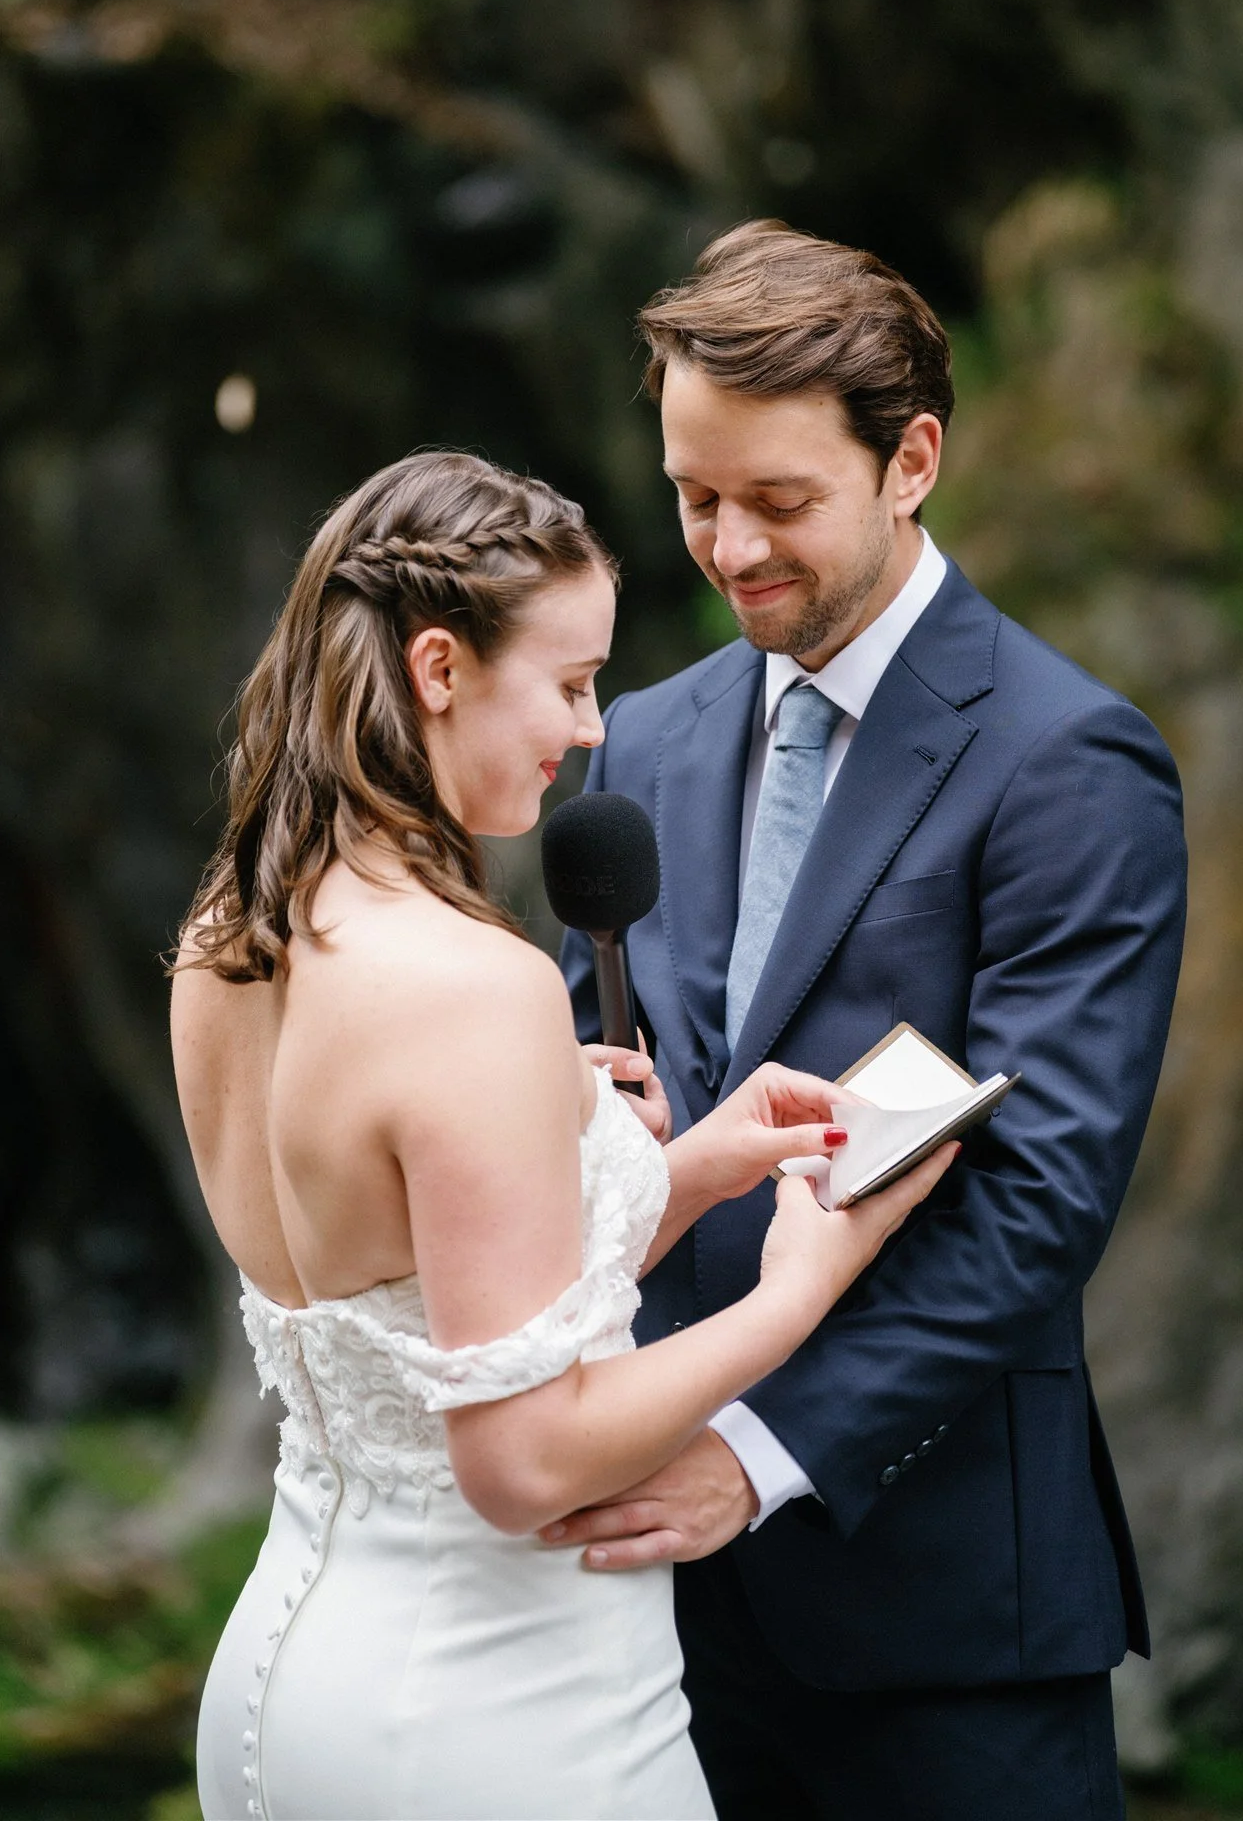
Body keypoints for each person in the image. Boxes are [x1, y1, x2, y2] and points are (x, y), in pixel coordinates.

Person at [172, 448, 954, 1821]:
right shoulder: (476, 987)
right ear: (437, 668)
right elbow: (521, 1458)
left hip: (285, 1687)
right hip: (505, 1712)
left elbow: (419, 1307)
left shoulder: (231, 942)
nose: (593, 730)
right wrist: (797, 1293)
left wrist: (688, 1168)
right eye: (573, 681)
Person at [556, 221, 1189, 1821]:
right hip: (636, 1631)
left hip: (941, 1621)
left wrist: (760, 1458)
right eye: (696, 497)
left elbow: (1037, 1200)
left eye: (780, 501)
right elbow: (590, 1110)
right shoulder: (633, 738)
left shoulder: (1069, 761)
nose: (729, 548)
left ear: (912, 461)